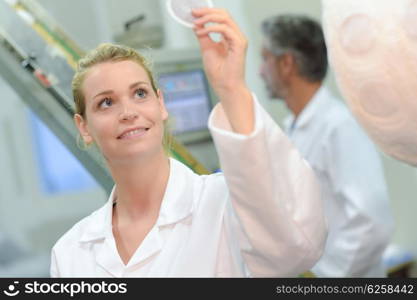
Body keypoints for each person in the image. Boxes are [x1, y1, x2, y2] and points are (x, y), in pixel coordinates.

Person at [50, 8, 326, 277]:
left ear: (161, 104)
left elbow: (296, 249)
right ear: (83, 127)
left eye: (140, 93)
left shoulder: (226, 205)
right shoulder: (70, 252)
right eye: (106, 102)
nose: (129, 113)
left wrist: (231, 88)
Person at [260, 14, 394, 277]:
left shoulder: (338, 126)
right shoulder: (295, 127)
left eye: (265, 58)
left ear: (287, 63)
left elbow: (374, 223)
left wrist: (326, 276)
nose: (260, 70)